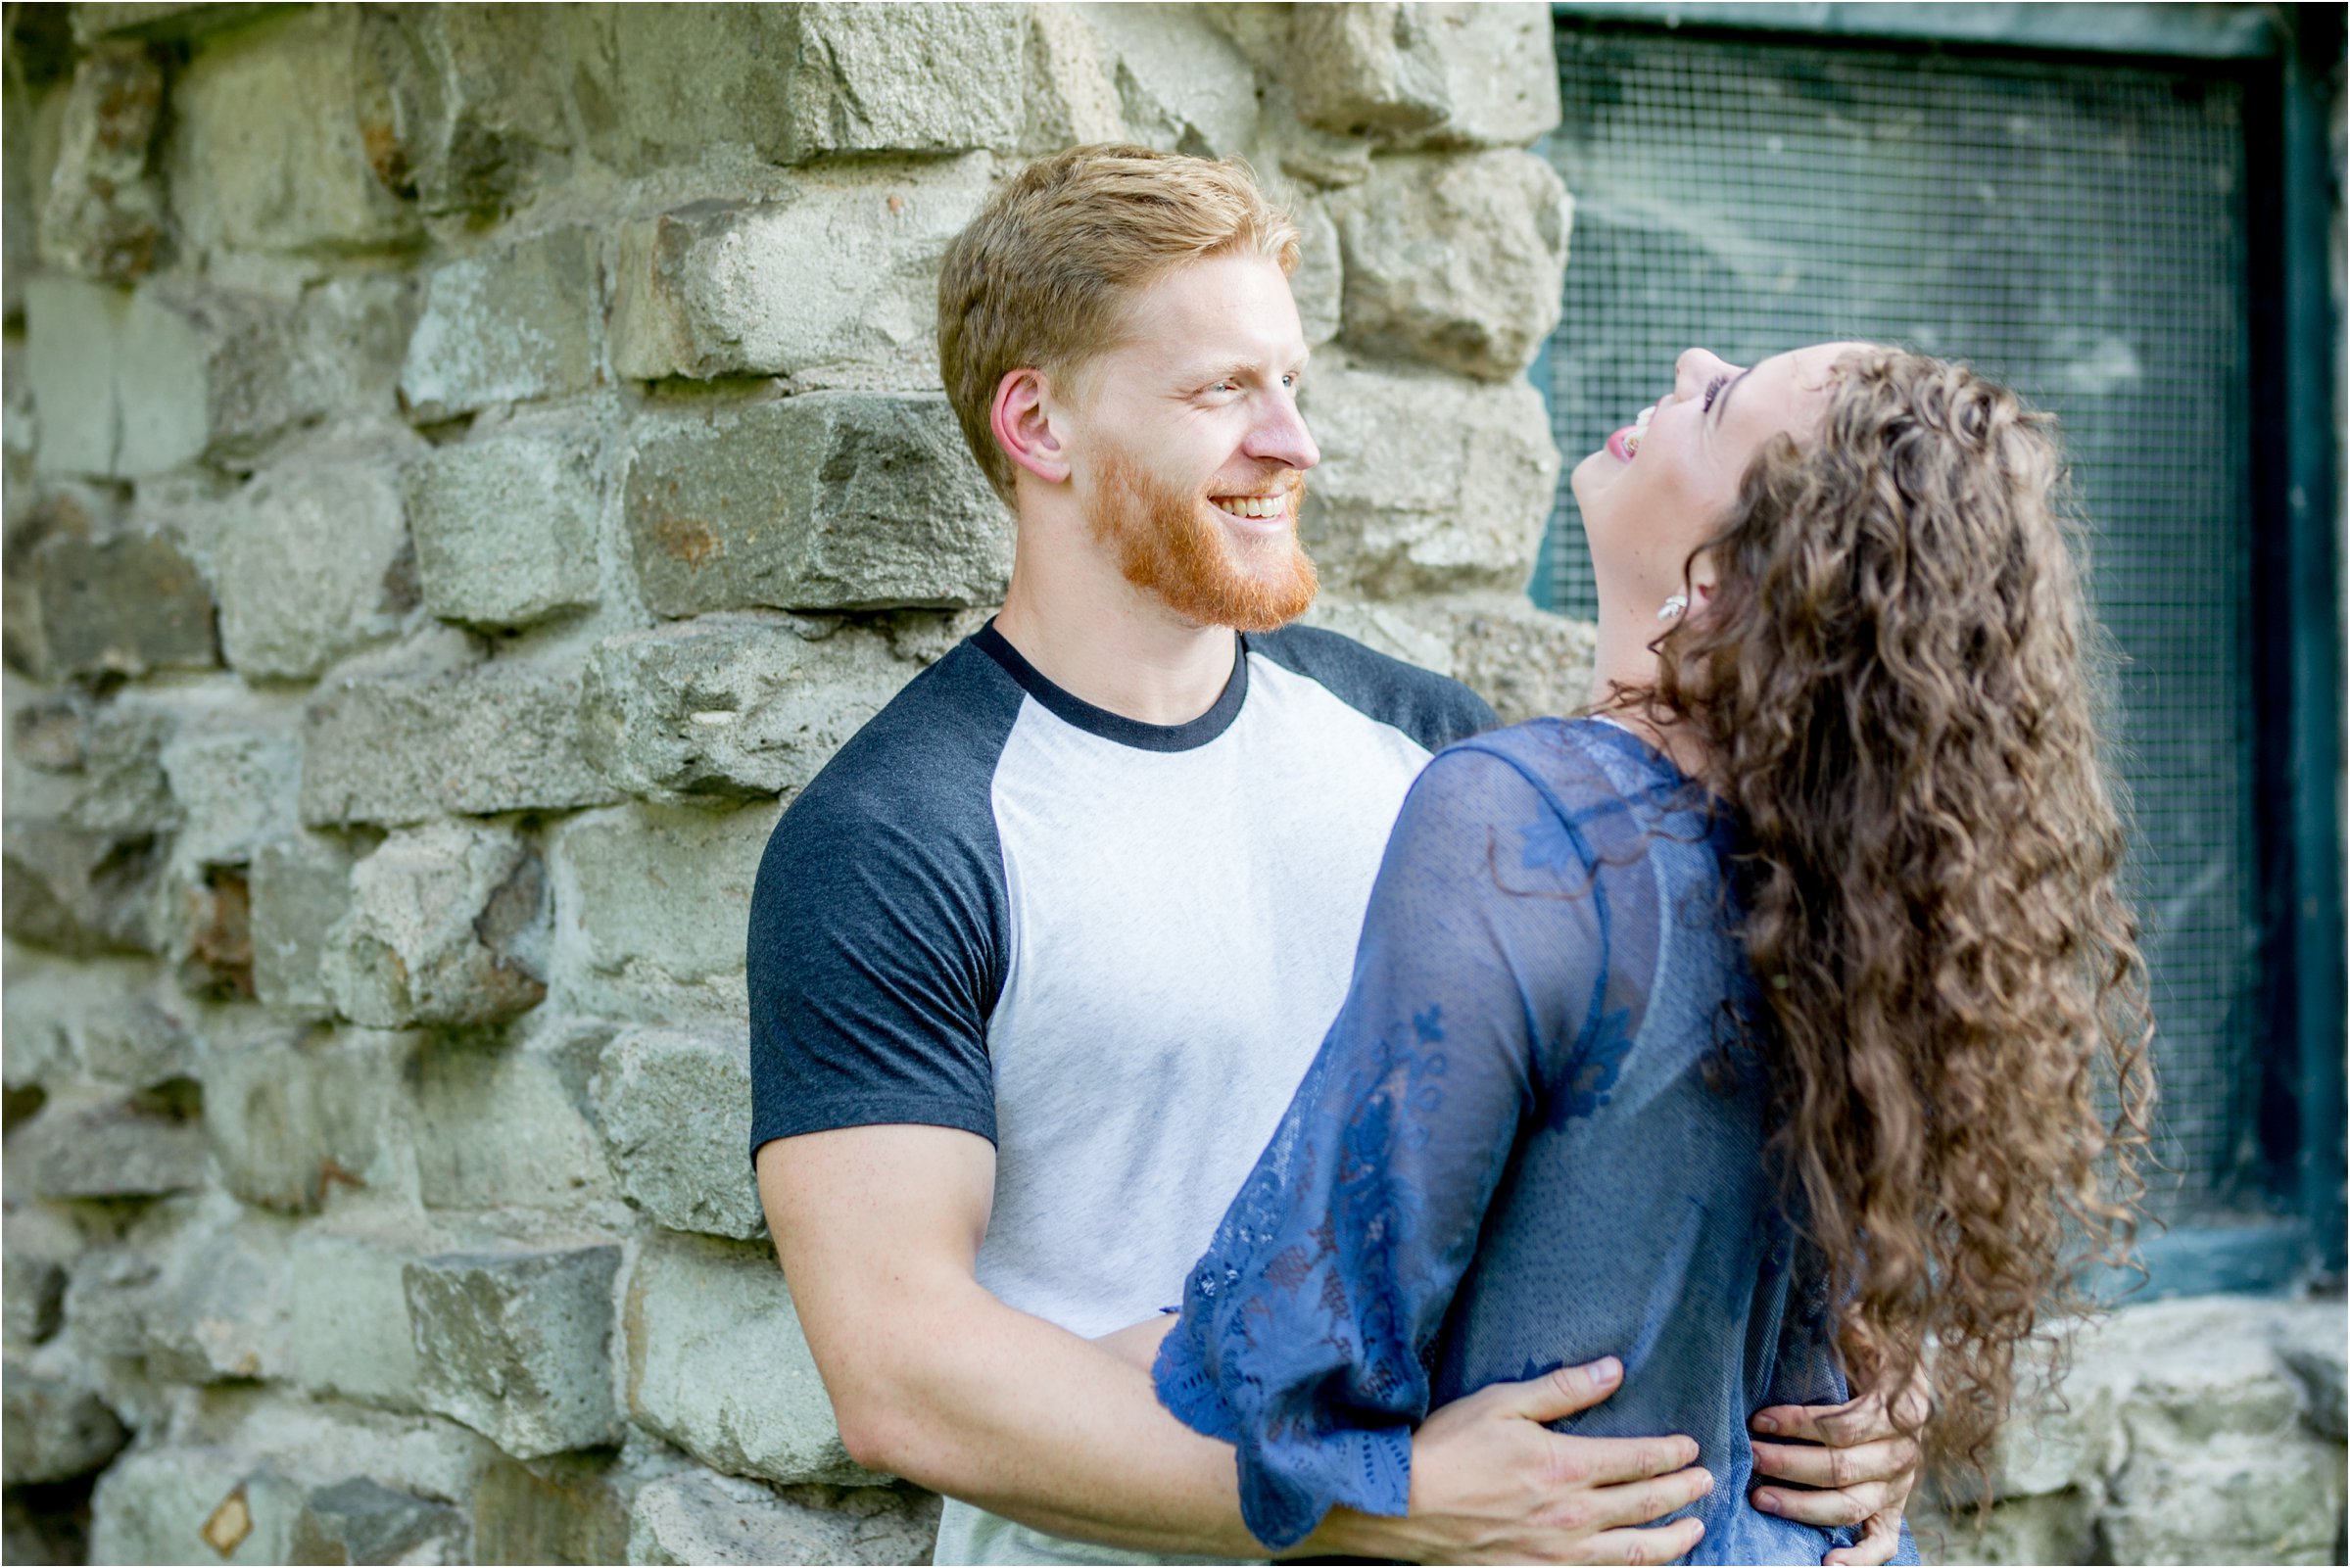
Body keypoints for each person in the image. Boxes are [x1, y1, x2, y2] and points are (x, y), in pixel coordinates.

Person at [748, 145, 1922, 1566]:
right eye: (1220, 390)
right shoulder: (895, 836)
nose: (1290, 442)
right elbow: (900, 1379)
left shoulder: (1430, 747)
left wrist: (1860, 1367)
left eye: (1289, 383)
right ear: (1038, 426)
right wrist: (1379, 1498)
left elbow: (1707, 1091)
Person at [1149, 343, 2156, 1563]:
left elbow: (1284, 1371)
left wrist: (1021, 1339)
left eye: (1719, 402)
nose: (1689, 360)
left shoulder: (1523, 819)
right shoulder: (1865, 888)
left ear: (1736, 580)